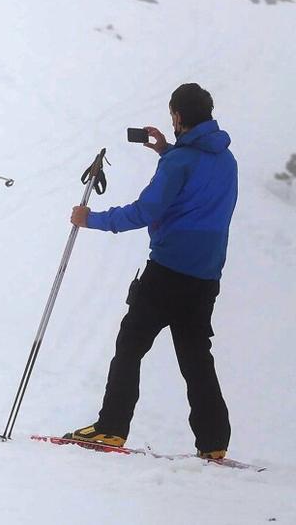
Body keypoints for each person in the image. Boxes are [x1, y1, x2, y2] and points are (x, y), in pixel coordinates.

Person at [65, 83, 237, 459]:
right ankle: (214, 443)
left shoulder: (180, 162)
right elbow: (197, 178)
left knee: (130, 344)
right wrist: (166, 150)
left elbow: (146, 211)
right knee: (195, 356)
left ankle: (111, 427)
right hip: (206, 276)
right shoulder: (225, 160)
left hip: (168, 271)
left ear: (177, 116)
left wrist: (91, 219)